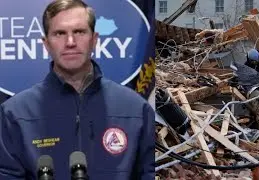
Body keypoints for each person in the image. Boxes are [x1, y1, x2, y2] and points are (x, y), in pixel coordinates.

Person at [0, 0, 154, 179]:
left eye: (79, 32)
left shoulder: (136, 109)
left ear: (94, 40)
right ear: (46, 43)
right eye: (59, 33)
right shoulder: (14, 114)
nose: (70, 42)